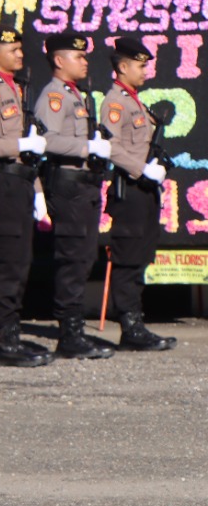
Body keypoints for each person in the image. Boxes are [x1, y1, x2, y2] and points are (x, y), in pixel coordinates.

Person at [0, 26, 52, 368]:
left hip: (21, 182)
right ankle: (4, 341)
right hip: (2, 183)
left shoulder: (15, 88)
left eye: (20, 48)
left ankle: (12, 335)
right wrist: (21, 144)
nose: (20, 54)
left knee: (20, 262)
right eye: (13, 50)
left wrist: (37, 191)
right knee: (7, 263)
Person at [33, 34, 115, 360]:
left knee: (83, 257)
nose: (84, 61)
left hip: (84, 185)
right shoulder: (54, 95)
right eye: (77, 56)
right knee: (72, 259)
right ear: (58, 60)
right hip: (68, 185)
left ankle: (75, 330)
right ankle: (69, 334)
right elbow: (46, 140)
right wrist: (86, 147)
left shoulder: (74, 94)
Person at [99, 37, 175, 352]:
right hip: (128, 188)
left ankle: (136, 323)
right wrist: (141, 169)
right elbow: (111, 146)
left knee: (140, 255)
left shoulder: (135, 101)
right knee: (128, 258)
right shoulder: (115, 102)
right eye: (140, 66)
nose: (145, 71)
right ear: (123, 66)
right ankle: (129, 327)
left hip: (143, 189)